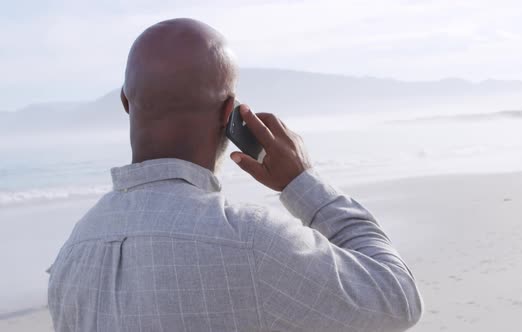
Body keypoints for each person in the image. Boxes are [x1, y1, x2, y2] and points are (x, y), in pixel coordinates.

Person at [47, 18, 422, 332]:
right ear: (231, 113)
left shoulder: (74, 251)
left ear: (126, 103)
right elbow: (397, 297)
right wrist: (302, 182)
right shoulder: (250, 242)